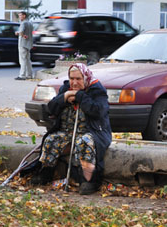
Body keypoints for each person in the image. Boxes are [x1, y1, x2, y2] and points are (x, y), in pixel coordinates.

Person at [33, 63, 112, 195]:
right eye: (72, 78)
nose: (74, 83)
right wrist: (64, 97)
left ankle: (88, 181)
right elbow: (51, 109)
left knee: (84, 142)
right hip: (67, 131)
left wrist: (80, 96)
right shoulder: (66, 88)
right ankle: (45, 174)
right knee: (51, 140)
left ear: (85, 77)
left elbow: (98, 111)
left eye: (78, 79)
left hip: (92, 133)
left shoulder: (97, 90)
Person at [15, 11, 33, 80]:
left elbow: (21, 32)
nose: (19, 17)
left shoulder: (23, 23)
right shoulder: (30, 23)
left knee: (22, 60)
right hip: (29, 44)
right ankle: (29, 75)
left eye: (20, 15)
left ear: (24, 16)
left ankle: (22, 75)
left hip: (22, 44)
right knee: (28, 60)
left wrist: (18, 33)